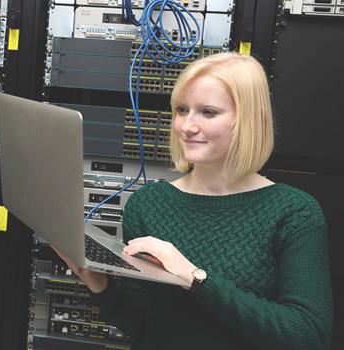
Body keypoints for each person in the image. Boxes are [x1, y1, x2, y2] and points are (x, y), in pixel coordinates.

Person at [53, 52, 333, 349]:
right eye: (182, 110)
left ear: (249, 120)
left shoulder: (293, 212)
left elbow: (309, 337)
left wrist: (196, 278)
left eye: (208, 112)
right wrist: (101, 286)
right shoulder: (148, 204)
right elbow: (143, 326)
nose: (186, 126)